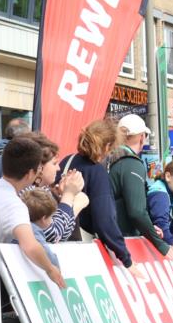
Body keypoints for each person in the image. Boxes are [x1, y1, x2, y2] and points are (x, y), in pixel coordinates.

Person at [57, 119, 143, 280]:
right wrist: (126, 259)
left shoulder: (66, 161)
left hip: (56, 239)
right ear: (107, 146)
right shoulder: (97, 172)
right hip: (79, 249)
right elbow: (105, 220)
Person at [0, 137, 64, 288]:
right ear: (30, 173)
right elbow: (30, 246)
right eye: (38, 170)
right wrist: (50, 269)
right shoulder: (15, 206)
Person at [109, 114, 172, 259]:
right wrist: (161, 246)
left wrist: (148, 227)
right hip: (122, 241)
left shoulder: (110, 157)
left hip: (108, 237)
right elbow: (137, 212)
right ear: (142, 137)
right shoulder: (131, 163)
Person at [23, 132, 84, 242]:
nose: (58, 168)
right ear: (39, 167)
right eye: (54, 163)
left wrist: (62, 197)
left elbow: (65, 232)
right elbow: (55, 234)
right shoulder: (27, 194)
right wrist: (69, 195)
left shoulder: (42, 189)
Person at [20, 188, 61, 268]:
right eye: (51, 217)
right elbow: (52, 261)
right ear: (44, 218)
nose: (52, 220)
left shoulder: (19, 225)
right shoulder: (34, 232)